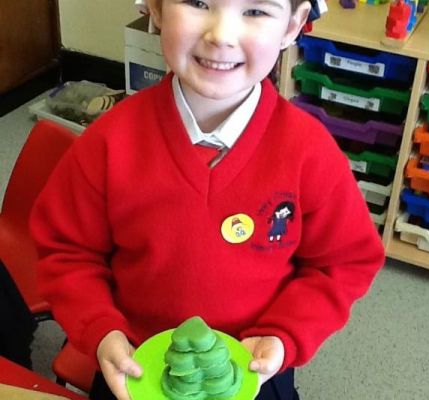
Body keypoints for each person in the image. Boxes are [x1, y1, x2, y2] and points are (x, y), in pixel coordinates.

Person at [30, 0, 385, 399]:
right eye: (198, 2)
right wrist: (100, 328)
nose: (221, 35)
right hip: (135, 367)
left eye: (255, 11)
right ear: (156, 8)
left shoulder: (310, 151)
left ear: (293, 24)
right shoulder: (108, 143)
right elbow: (67, 252)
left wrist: (286, 333)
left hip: (255, 370)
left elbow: (343, 263)